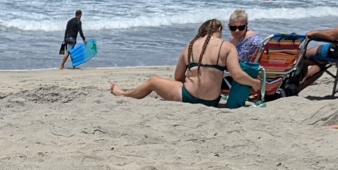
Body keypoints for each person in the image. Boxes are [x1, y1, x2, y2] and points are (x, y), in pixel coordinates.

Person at [109, 18, 262, 106]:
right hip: (212, 101)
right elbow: (237, 75)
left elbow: (178, 78)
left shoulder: (190, 46)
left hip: (189, 96)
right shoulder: (227, 47)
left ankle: (124, 94)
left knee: (153, 81)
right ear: (220, 30)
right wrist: (254, 83)